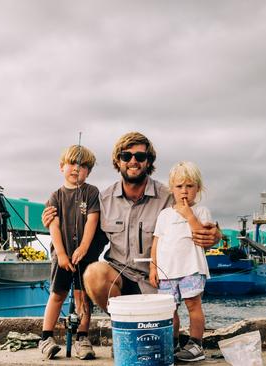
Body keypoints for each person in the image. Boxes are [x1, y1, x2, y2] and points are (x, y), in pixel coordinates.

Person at [42, 132, 220, 310]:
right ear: (118, 161)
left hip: (156, 280)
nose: (133, 161)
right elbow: (85, 233)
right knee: (94, 274)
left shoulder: (169, 197)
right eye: (126, 156)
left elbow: (198, 217)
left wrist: (215, 235)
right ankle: (121, 318)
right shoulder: (104, 199)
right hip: (119, 275)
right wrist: (52, 221)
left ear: (148, 161)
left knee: (164, 330)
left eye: (140, 156)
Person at [38, 144, 105, 360]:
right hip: (62, 255)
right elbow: (54, 227)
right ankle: (46, 337)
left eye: (83, 165)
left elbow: (92, 220)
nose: (77, 168)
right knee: (57, 294)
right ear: (61, 167)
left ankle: (82, 338)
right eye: (72, 163)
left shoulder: (92, 192)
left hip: (87, 255)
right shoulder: (55, 196)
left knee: (83, 297)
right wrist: (62, 255)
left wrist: (84, 248)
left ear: (89, 171)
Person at [149, 161, 211, 362]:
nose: (184, 191)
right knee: (169, 309)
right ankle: (172, 342)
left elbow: (201, 234)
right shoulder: (165, 214)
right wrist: (153, 267)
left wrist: (189, 215)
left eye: (189, 186)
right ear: (172, 189)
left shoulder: (201, 212)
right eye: (179, 186)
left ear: (198, 188)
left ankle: (196, 344)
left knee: (193, 305)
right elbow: (156, 242)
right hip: (167, 271)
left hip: (191, 269)